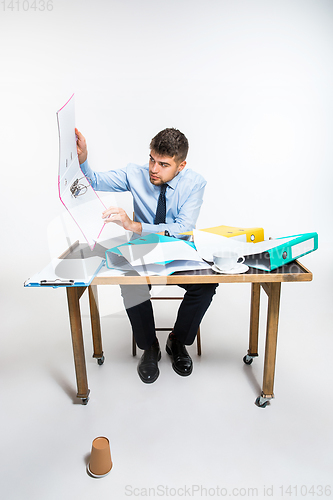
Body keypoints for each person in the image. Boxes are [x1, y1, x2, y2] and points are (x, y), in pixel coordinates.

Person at [76, 127, 218, 383]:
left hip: (178, 251)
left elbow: (182, 229)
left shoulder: (195, 183)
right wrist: (83, 158)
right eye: (152, 159)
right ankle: (149, 345)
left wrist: (135, 226)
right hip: (144, 252)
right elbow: (94, 181)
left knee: (206, 285)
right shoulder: (135, 173)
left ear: (181, 165)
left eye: (164, 164)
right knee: (130, 283)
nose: (154, 169)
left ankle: (177, 341)